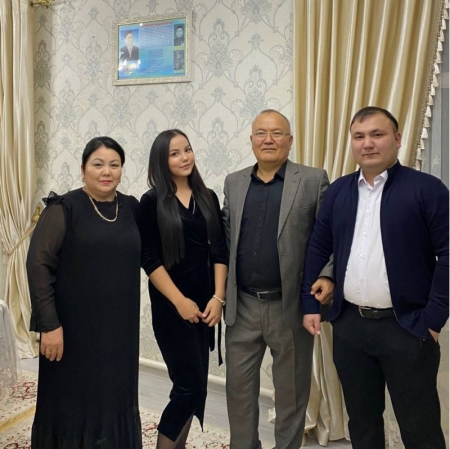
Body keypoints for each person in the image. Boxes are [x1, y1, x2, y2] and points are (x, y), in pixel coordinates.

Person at [302, 106, 449, 449]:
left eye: (377, 134)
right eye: (359, 136)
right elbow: (319, 246)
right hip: (350, 327)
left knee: (420, 426)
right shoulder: (338, 191)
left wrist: (433, 319)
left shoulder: (427, 189)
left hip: (407, 328)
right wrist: (310, 303)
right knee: (362, 423)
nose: (367, 143)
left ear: (397, 139)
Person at [222, 109, 333, 449]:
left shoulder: (313, 180)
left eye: (276, 133)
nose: (268, 139)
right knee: (238, 392)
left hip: (290, 307)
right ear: (251, 140)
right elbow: (225, 239)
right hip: (242, 306)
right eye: (261, 133)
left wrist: (327, 277)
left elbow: (331, 238)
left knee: (291, 394)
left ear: (290, 140)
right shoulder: (234, 182)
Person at [27, 137, 144, 449]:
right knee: (72, 402)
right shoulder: (64, 208)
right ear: (83, 169)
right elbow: (38, 266)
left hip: (119, 333)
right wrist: (49, 326)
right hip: (71, 332)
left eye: (114, 164)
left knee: (114, 399)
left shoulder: (132, 208)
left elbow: (155, 256)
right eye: (98, 164)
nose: (107, 171)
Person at [139, 129, 228, 449]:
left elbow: (220, 251)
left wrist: (218, 298)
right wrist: (179, 302)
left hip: (206, 306)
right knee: (187, 387)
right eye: (174, 153)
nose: (184, 157)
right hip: (172, 308)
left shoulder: (208, 196)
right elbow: (148, 258)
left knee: (197, 387)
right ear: (161, 161)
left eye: (187, 149)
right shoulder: (151, 201)